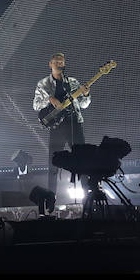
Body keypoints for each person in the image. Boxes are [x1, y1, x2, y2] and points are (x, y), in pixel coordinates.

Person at [32, 53, 91, 197]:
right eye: (56, 62)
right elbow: (35, 105)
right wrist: (50, 99)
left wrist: (86, 94)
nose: (59, 64)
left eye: (61, 62)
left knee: (82, 159)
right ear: (50, 64)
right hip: (56, 127)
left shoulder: (73, 82)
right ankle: (51, 196)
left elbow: (84, 105)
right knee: (53, 162)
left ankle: (88, 194)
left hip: (74, 123)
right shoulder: (43, 84)